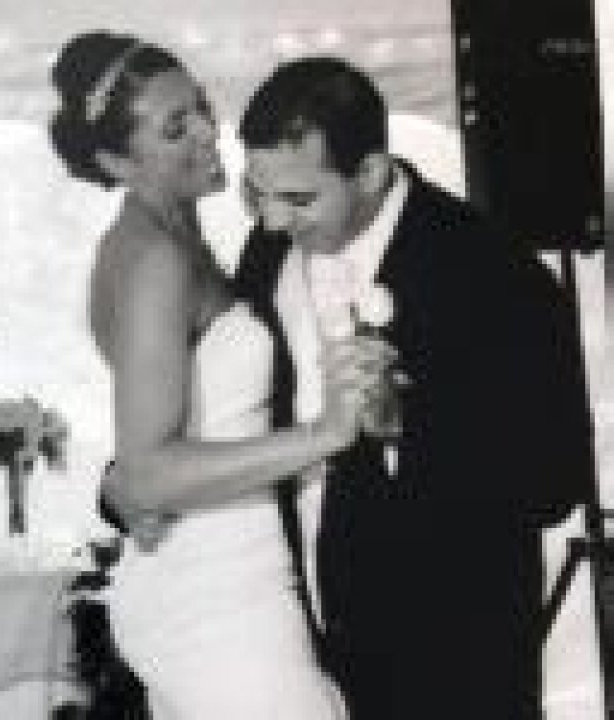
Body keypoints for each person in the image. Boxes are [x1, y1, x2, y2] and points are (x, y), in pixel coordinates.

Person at [235, 56, 597, 720]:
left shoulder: (497, 272)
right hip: (301, 649)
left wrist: (406, 424)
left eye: (299, 199)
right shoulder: (265, 254)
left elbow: (555, 481)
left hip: (453, 659)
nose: (273, 222)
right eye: (256, 193)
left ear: (371, 172)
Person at [50, 32, 386, 720]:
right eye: (176, 128)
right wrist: (323, 435)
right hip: (215, 600)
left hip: (238, 576)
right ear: (117, 162)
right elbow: (147, 473)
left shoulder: (187, 236)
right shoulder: (154, 261)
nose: (209, 130)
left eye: (200, 106)